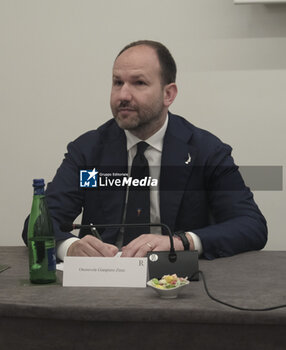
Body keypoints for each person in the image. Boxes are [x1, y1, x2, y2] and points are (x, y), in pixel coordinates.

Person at [22, 40, 267, 260]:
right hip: (102, 284)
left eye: (138, 83)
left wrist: (181, 242)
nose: (123, 95)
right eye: (117, 83)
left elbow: (251, 225)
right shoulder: (89, 152)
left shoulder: (205, 152)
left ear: (168, 94)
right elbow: (38, 224)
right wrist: (70, 247)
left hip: (176, 281)